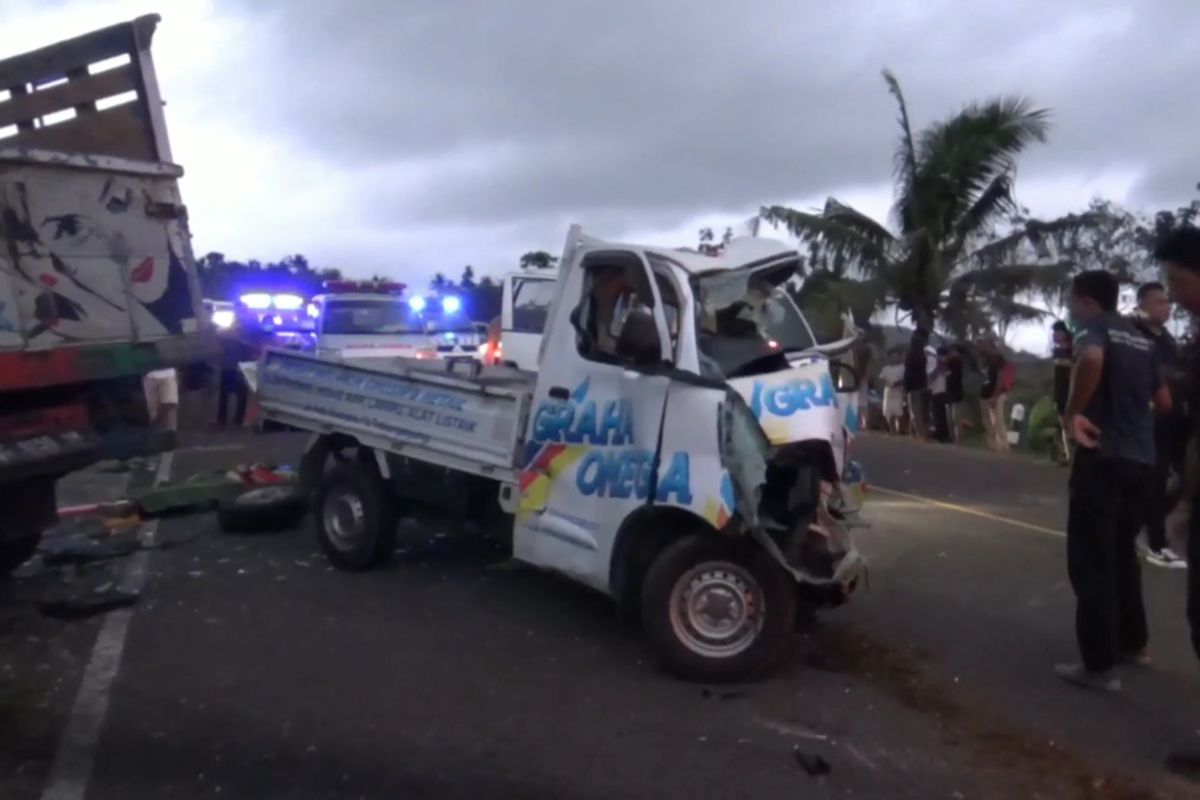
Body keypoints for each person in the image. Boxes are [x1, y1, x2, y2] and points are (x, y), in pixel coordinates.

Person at [1055, 270, 1169, 692]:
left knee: (1092, 559)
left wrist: (1073, 414)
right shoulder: (1142, 337)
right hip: (1141, 460)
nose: (1070, 306)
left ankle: (1098, 666)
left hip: (1103, 456)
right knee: (1123, 553)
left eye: (1071, 299)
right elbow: (1164, 400)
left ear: (1086, 300)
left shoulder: (1096, 330)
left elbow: (1091, 360)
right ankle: (1133, 643)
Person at [1131, 282, 1187, 569]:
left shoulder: (1167, 340)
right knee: (1155, 479)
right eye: (1159, 302)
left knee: (1184, 478)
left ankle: (1143, 524)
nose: (1166, 307)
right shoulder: (1133, 335)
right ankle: (1155, 541)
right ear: (1142, 304)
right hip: (1147, 420)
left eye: (1168, 302)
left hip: (1175, 419)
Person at [978, 337, 1013, 453]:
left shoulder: (998, 359)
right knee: (987, 422)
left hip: (995, 394)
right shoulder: (984, 360)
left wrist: (995, 395)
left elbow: (1000, 378)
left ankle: (1003, 447)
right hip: (984, 393)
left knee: (998, 421)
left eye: (985, 344)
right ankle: (993, 446)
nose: (983, 347)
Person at [1051, 321, 1074, 466]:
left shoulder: (1073, 350)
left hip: (1071, 392)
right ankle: (1068, 454)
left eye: (1057, 332)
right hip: (1060, 392)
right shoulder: (1057, 351)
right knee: (1064, 424)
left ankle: (1073, 454)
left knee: (1071, 423)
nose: (1054, 335)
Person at [904, 329, 933, 439]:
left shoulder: (910, 355)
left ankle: (920, 434)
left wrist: (906, 387)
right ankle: (917, 432)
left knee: (915, 411)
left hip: (913, 386)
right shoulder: (923, 356)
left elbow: (908, 373)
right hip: (922, 385)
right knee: (922, 410)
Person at [878, 349, 906, 435]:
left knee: (899, 412)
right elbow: (881, 379)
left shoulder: (902, 367)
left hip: (898, 392)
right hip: (888, 392)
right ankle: (891, 430)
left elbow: (905, 379)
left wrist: (897, 384)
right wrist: (887, 383)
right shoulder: (885, 368)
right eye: (891, 356)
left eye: (895, 356)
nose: (893, 358)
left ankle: (899, 430)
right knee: (889, 412)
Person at [143, 368, 179, 432]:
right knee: (152, 412)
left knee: (170, 407)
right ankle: (156, 434)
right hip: (149, 377)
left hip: (168, 376)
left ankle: (171, 434)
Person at [945, 344, 966, 442]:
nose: (951, 353)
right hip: (950, 393)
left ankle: (958, 438)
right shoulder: (952, 363)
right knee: (950, 418)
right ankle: (953, 437)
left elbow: (948, 362)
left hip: (957, 394)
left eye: (953, 351)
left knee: (956, 418)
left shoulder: (958, 362)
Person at [930, 346, 951, 443]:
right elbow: (930, 377)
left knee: (945, 416)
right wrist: (938, 367)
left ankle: (946, 435)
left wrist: (944, 366)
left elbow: (949, 375)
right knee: (938, 416)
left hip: (945, 392)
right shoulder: (932, 364)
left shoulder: (949, 365)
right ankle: (941, 436)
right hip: (936, 392)